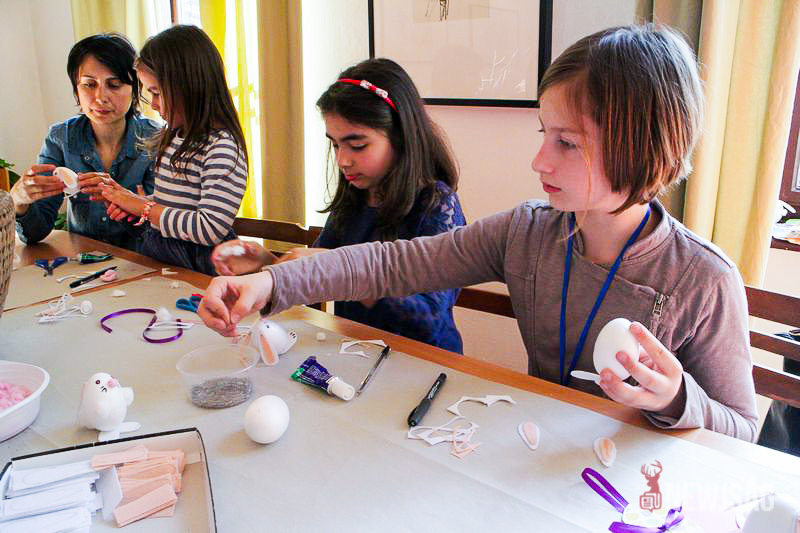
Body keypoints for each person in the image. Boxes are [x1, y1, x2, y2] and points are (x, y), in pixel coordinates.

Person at [198, 25, 758, 441]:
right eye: (545, 133)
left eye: (567, 143)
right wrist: (270, 282)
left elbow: (742, 429)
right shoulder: (527, 232)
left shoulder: (703, 279)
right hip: (536, 449)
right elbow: (392, 262)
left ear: (642, 146)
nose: (539, 161)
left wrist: (678, 398)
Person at [212, 58, 466, 353]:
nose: (342, 160)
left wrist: (344, 268)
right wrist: (266, 263)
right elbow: (318, 274)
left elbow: (429, 320)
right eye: (335, 144)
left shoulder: (437, 204)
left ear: (401, 136)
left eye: (357, 145)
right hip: (358, 348)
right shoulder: (355, 196)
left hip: (426, 359)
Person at [98, 25, 248, 275]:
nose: (154, 104)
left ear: (189, 87)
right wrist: (135, 204)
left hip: (201, 267)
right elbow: (176, 204)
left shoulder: (221, 146)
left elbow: (209, 229)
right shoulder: (174, 136)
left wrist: (143, 208)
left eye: (157, 93)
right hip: (165, 257)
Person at [11, 33, 158, 251]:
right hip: (84, 264)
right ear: (76, 90)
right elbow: (35, 232)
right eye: (89, 84)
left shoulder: (157, 140)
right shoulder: (61, 139)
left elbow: (160, 229)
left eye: (114, 85)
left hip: (143, 263)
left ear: (135, 89)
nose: (100, 97)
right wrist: (19, 202)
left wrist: (129, 204)